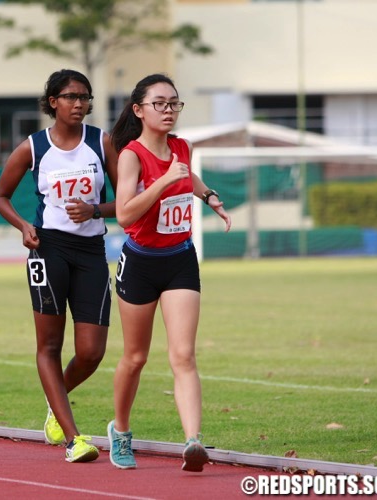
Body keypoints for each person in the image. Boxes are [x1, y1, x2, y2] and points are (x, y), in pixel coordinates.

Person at [106, 73, 231, 472]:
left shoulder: (182, 147)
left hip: (179, 259)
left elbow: (185, 174)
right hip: (140, 262)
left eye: (175, 103)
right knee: (136, 357)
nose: (169, 110)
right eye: (160, 103)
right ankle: (121, 431)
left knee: (184, 355)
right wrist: (162, 182)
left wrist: (208, 194)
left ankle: (193, 441)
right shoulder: (131, 155)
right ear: (139, 110)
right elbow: (124, 214)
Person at [0, 69, 118, 463]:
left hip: (91, 251)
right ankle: (73, 439)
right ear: (52, 102)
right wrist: (24, 226)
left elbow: (129, 201)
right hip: (48, 249)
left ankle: (55, 401)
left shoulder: (102, 142)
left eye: (84, 97)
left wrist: (96, 209)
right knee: (48, 344)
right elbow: (0, 196)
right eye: (70, 97)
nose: (79, 103)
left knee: (91, 352)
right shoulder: (33, 147)